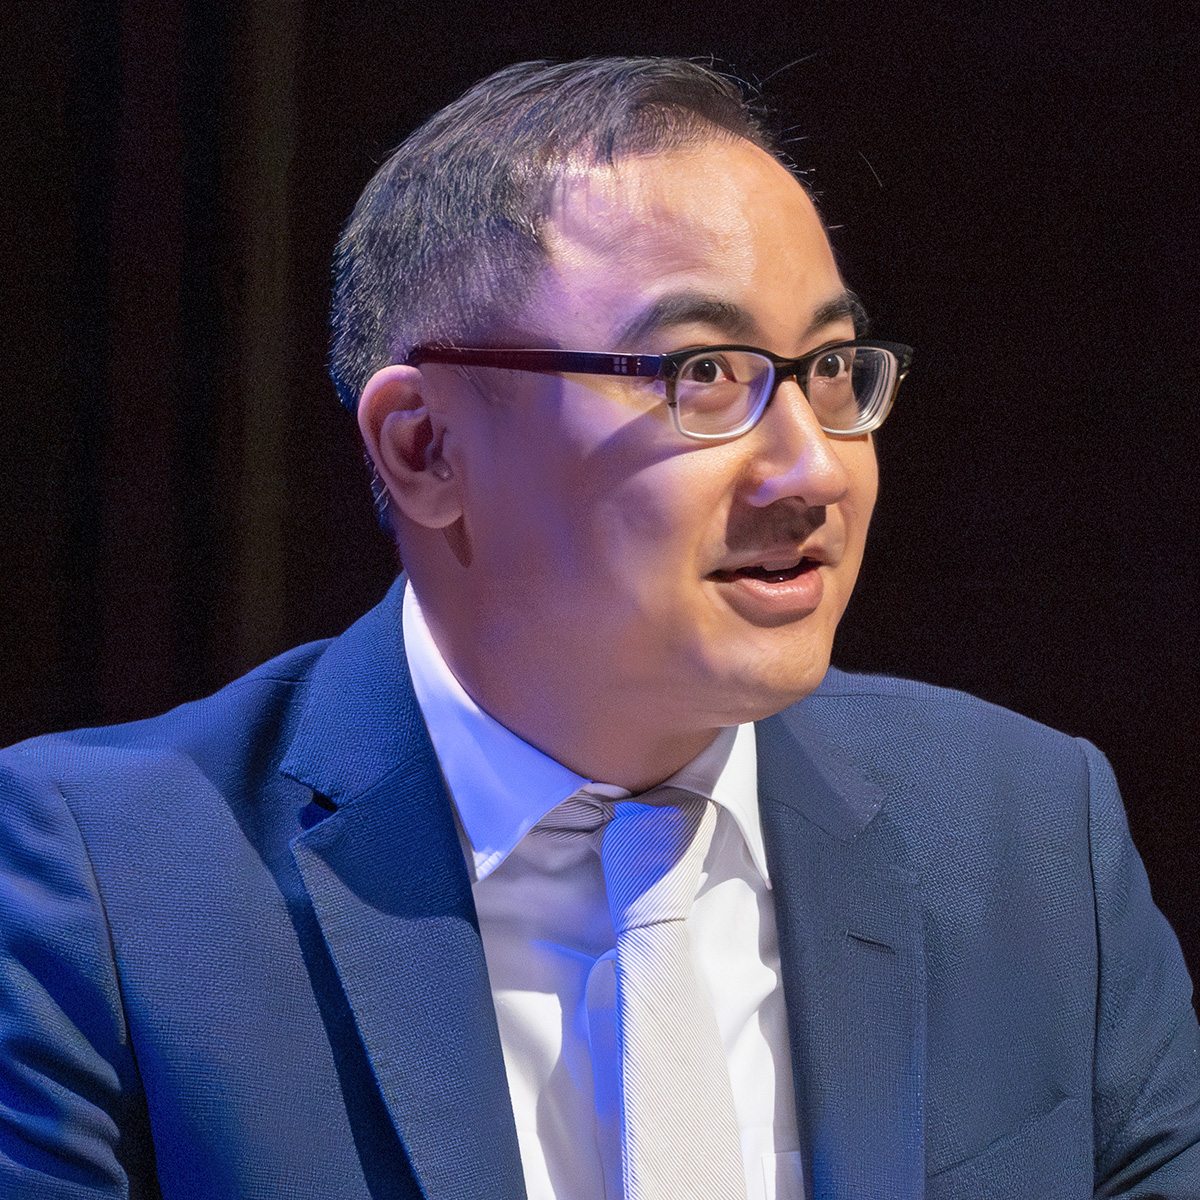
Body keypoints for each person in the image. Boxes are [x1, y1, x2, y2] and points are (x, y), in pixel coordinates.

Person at [1, 56, 1197, 1200]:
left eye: (831, 368)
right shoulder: (103, 891)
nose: (811, 469)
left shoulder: (1028, 837)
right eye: (704, 374)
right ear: (426, 447)